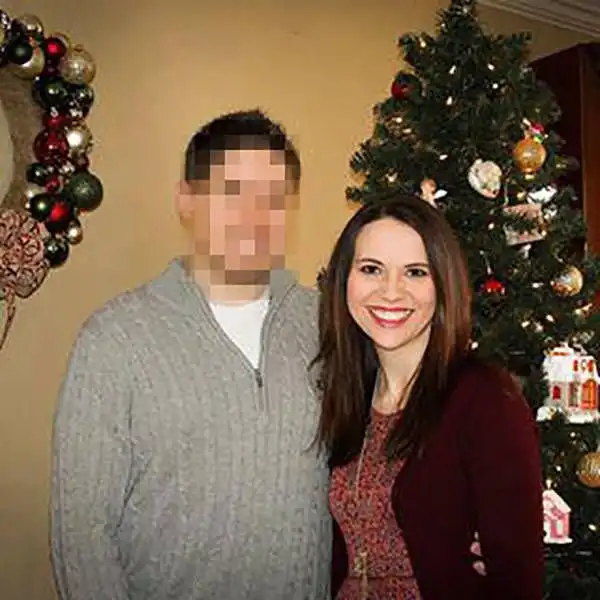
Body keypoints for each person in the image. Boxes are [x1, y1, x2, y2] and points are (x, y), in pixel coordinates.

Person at [50, 109, 332, 600]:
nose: (254, 217)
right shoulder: (114, 340)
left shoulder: (326, 325)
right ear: (187, 200)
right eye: (233, 193)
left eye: (272, 198)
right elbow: (82, 538)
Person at [313, 195, 544, 600]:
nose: (390, 292)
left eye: (415, 272)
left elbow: (518, 578)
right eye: (371, 269)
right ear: (344, 280)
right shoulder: (345, 393)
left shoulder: (486, 399)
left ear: (442, 284)